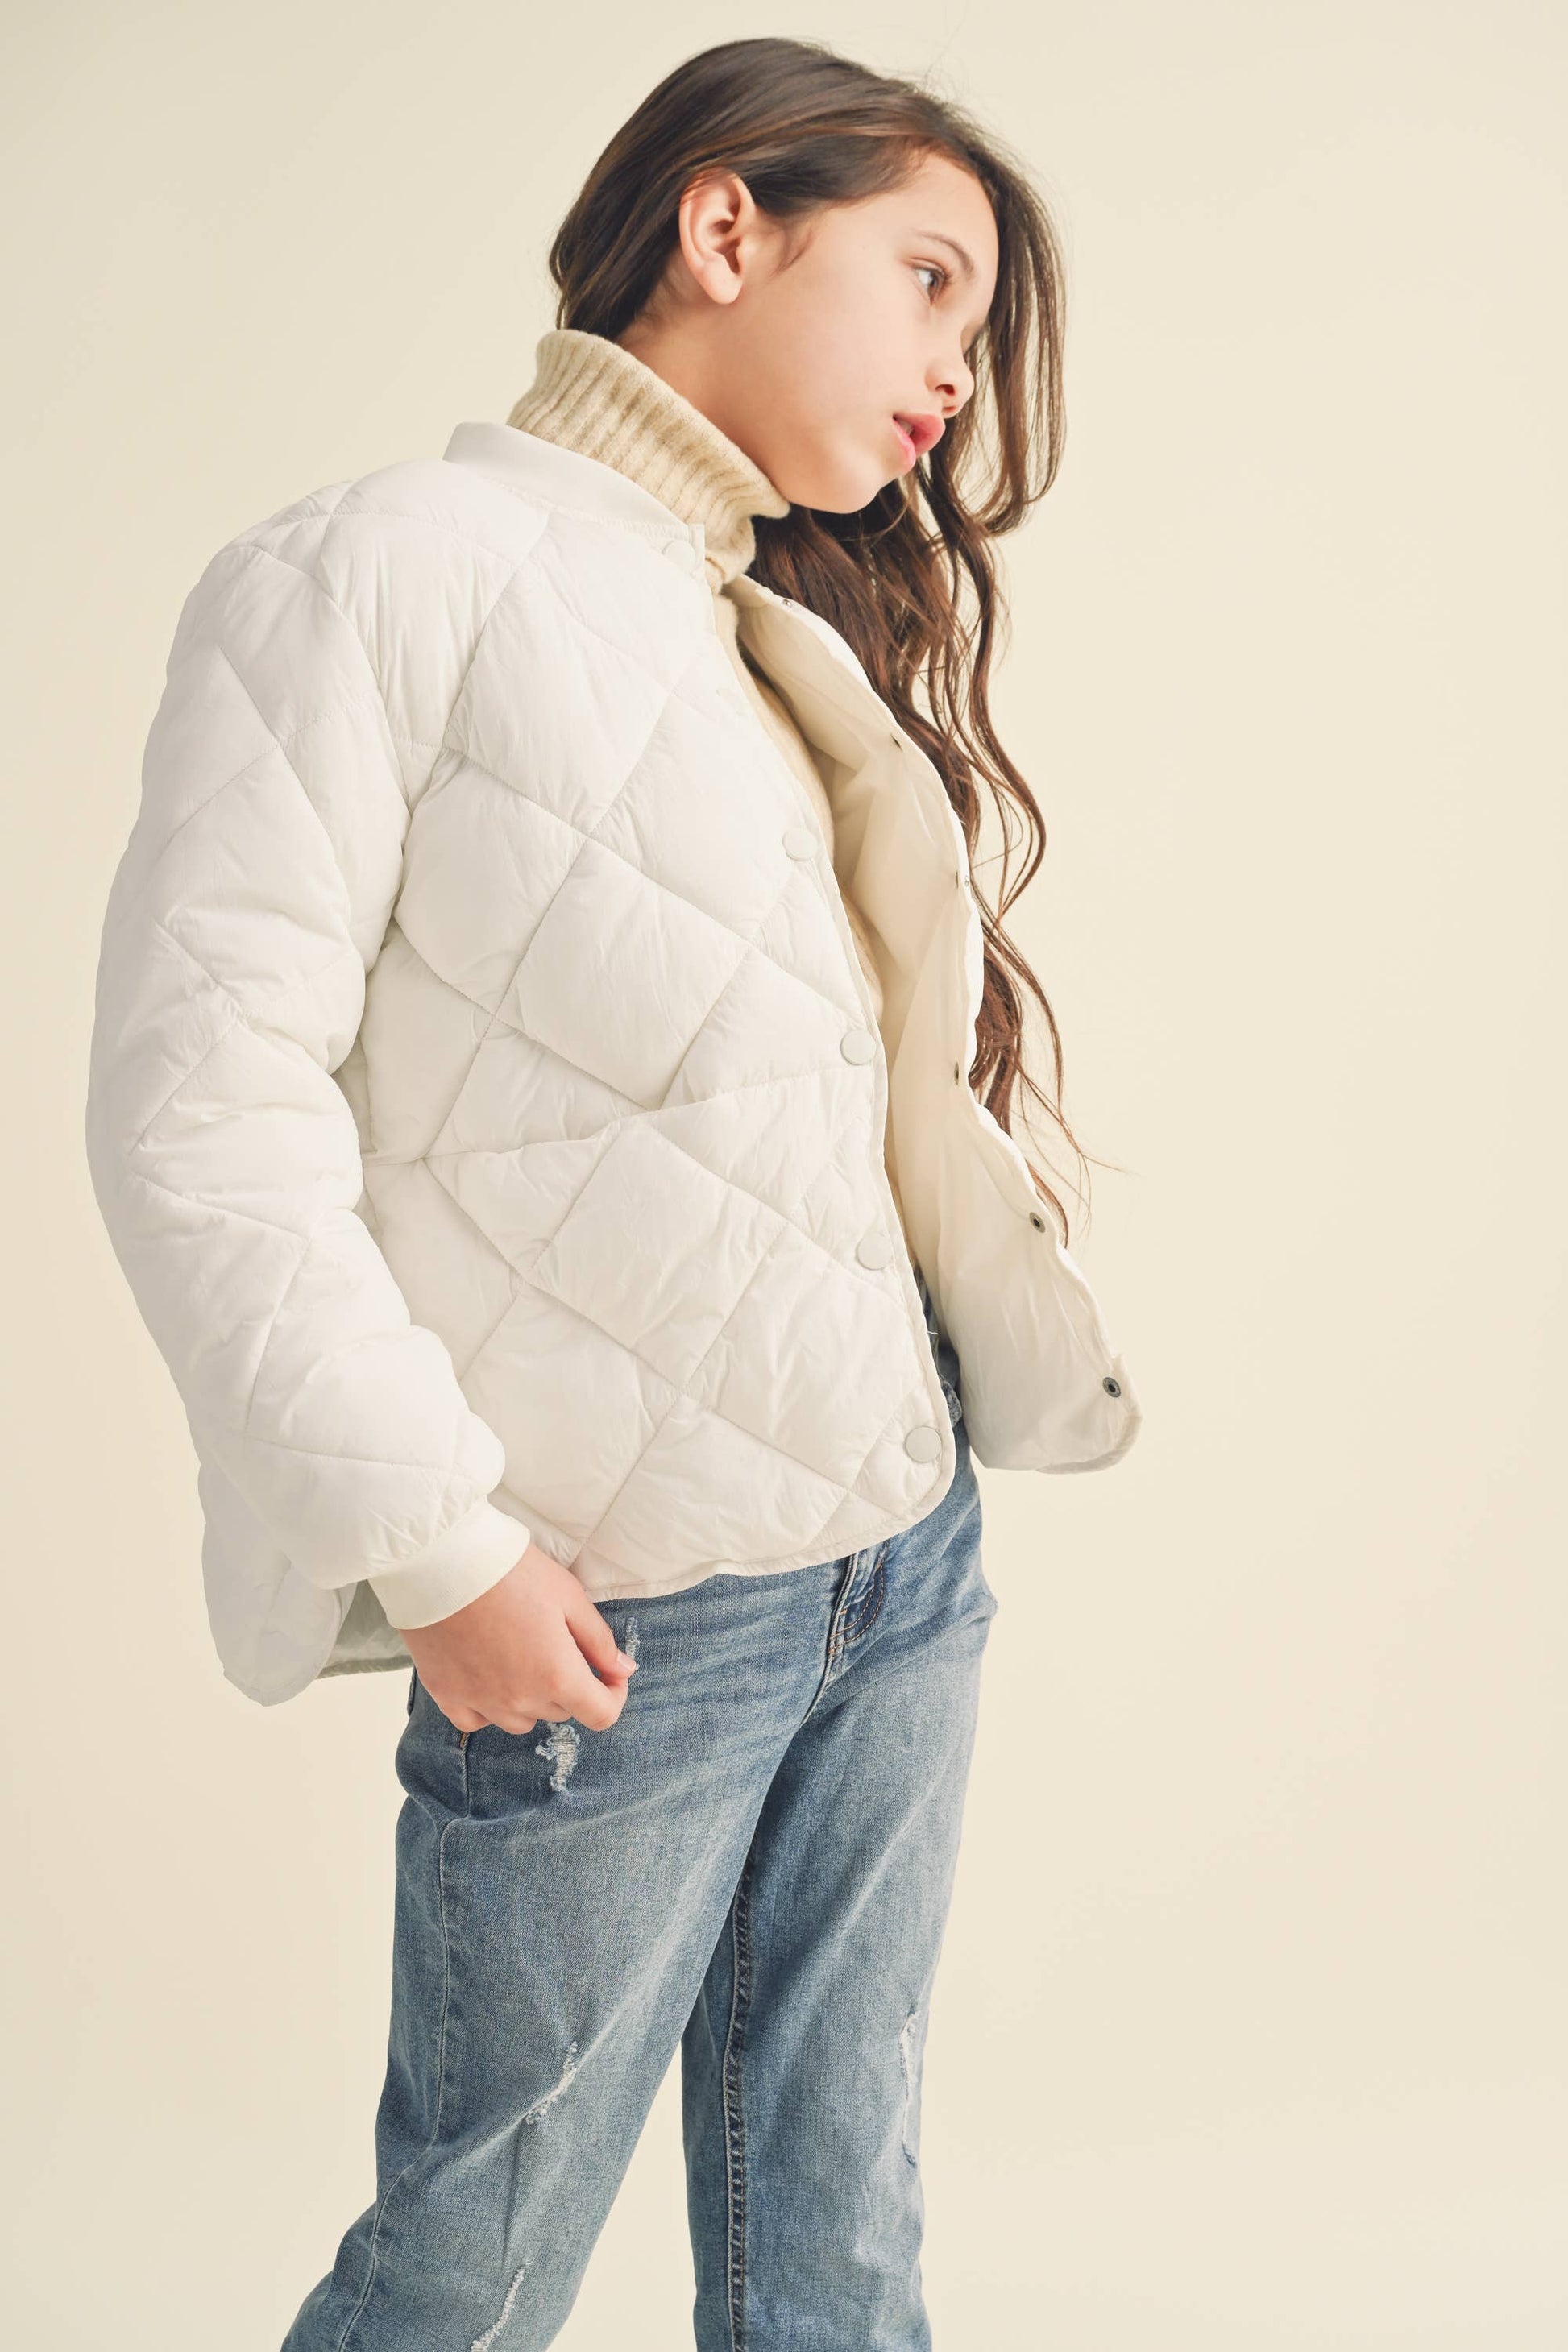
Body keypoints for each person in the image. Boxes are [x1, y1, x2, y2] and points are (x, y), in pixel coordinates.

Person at [85, 35, 1141, 2351]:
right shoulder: (374, 571)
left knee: (838, 2259)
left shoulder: (752, 615)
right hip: (616, 1617)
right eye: (930, 280)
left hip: (898, 1561)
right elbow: (199, 1111)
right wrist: (436, 1542)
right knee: (468, 2275)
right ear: (725, 225)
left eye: (978, 323)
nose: (957, 372)